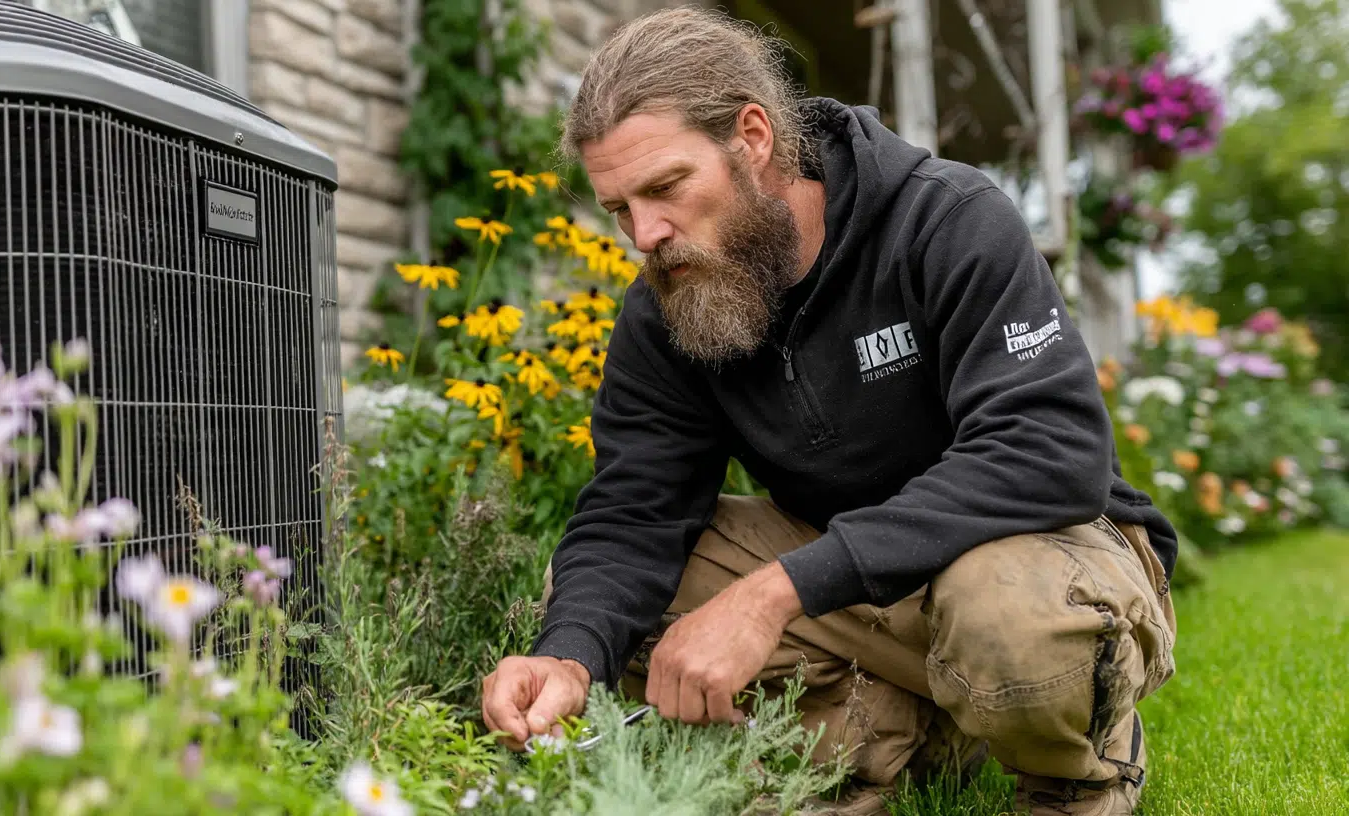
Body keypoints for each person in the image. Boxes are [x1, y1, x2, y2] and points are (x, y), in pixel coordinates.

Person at [480, 7, 1179, 815]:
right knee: (621, 603)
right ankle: (891, 738)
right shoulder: (668, 303)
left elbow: (1049, 452)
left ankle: (1076, 768)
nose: (645, 233)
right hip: (859, 586)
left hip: (1041, 553)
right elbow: (635, 510)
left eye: (666, 187)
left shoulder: (945, 218)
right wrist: (567, 659)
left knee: (1005, 609)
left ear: (752, 136)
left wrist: (773, 591)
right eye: (619, 209)